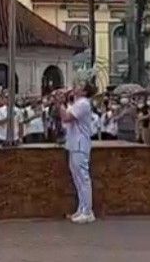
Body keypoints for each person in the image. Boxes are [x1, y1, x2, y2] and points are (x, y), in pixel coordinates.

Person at [56, 83, 95, 224]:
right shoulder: (76, 103)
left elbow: (66, 117)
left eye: (79, 86)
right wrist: (62, 102)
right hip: (73, 144)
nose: (74, 88)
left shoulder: (83, 103)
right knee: (77, 179)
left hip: (80, 144)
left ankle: (88, 211)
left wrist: (60, 103)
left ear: (84, 92)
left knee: (83, 178)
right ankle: (82, 208)